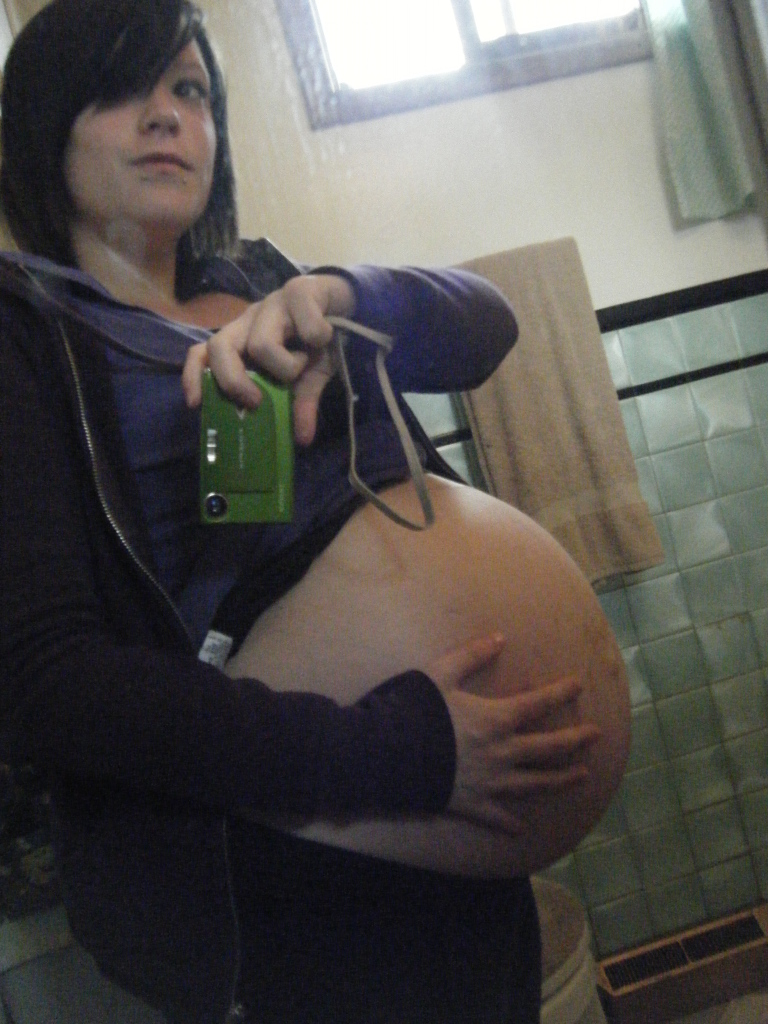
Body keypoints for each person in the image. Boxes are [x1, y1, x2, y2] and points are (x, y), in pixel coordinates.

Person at [0, 1, 630, 1022]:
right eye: (123, 89)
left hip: (467, 855)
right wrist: (400, 753)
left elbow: (488, 327)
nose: (167, 115)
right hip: (313, 860)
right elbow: (50, 684)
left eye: (190, 90)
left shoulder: (264, 279)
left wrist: (346, 293)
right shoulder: (26, 333)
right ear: (44, 122)